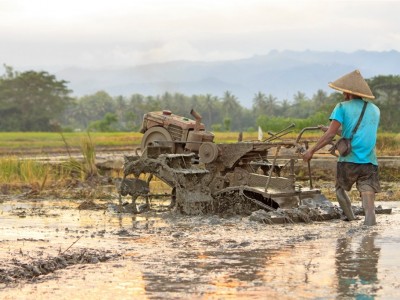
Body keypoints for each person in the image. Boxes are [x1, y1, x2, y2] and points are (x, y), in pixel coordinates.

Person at [302, 69, 380, 226]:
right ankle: (370, 236)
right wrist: (328, 129)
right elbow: (354, 133)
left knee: (339, 189)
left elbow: (331, 135)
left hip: (348, 160)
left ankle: (351, 219)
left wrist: (311, 151)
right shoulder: (374, 110)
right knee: (369, 204)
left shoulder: (342, 107)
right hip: (370, 162)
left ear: (347, 92)